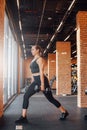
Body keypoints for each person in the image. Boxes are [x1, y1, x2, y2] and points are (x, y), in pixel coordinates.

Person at [15, 45, 69, 124]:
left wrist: (42, 84)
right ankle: (23, 117)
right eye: (31, 49)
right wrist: (33, 82)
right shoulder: (33, 59)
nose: (31, 51)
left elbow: (41, 72)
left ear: (37, 50)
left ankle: (64, 111)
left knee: (50, 99)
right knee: (26, 96)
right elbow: (33, 72)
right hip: (36, 81)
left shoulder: (40, 59)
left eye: (33, 49)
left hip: (42, 81)